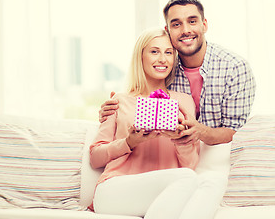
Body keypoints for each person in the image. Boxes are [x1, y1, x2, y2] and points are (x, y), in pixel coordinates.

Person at [90, 28, 224, 219]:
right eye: (154, 51)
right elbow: (95, 158)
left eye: (169, 52)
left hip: (169, 192)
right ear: (140, 56)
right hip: (116, 189)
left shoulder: (184, 101)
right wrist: (129, 142)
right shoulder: (119, 100)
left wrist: (181, 141)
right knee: (186, 178)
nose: (163, 59)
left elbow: (190, 164)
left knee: (215, 180)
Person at [99, 0, 256, 146]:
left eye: (192, 21)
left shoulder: (235, 68)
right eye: (176, 24)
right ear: (167, 30)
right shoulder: (162, 67)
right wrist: (113, 113)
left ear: (205, 25)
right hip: (175, 156)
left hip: (218, 156)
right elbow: (138, 98)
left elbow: (236, 132)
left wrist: (201, 132)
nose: (185, 30)